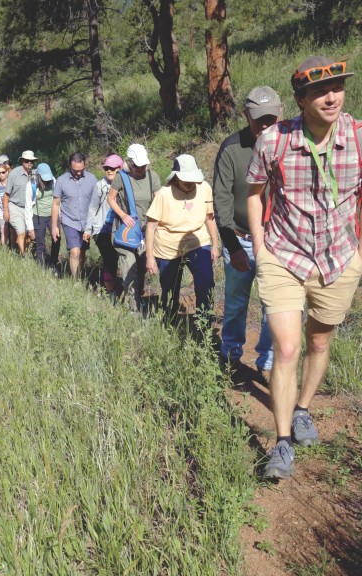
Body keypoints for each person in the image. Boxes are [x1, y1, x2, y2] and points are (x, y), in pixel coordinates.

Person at [247, 56, 362, 479]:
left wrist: (361, 257)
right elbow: (254, 194)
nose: (332, 97)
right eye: (320, 91)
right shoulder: (274, 140)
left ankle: (303, 409)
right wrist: (260, 247)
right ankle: (281, 442)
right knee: (287, 348)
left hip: (338, 259)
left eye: (338, 88)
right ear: (301, 99)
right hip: (284, 256)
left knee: (320, 343)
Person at [213, 86, 282, 373]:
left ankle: (266, 362)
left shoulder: (290, 144)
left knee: (274, 308)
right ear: (246, 115)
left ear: (280, 114)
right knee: (236, 303)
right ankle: (230, 355)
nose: (264, 125)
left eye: (270, 118)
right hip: (240, 239)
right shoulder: (232, 149)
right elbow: (222, 201)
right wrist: (233, 247)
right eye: (258, 119)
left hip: (277, 241)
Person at [144, 154, 220, 327]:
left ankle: (204, 325)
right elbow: (151, 227)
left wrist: (215, 245)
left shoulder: (204, 188)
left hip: (198, 242)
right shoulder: (164, 194)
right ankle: (169, 324)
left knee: (206, 282)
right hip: (167, 247)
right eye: (186, 179)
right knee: (170, 289)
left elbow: (210, 218)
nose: (190, 183)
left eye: (192, 179)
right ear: (176, 176)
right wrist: (150, 257)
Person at [107, 144, 161, 312]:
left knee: (142, 268)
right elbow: (111, 199)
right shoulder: (120, 177)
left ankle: (138, 297)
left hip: (146, 233)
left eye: (143, 165)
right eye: (136, 166)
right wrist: (123, 215)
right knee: (130, 268)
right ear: (129, 163)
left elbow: (159, 201)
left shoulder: (152, 177)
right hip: (126, 232)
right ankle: (134, 308)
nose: (140, 169)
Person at [51, 152, 98, 281]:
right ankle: (75, 280)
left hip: (86, 222)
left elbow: (97, 201)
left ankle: (80, 273)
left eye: (81, 170)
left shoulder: (92, 179)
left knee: (82, 252)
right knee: (74, 251)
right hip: (69, 221)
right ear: (69, 166)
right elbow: (55, 204)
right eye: (75, 170)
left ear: (85, 166)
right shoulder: (61, 180)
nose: (78, 173)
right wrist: (55, 226)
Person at [91, 154, 123, 294]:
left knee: (114, 259)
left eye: (112, 168)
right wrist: (88, 229)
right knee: (110, 258)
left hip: (119, 229)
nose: (109, 171)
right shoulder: (100, 185)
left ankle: (113, 286)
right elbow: (92, 208)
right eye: (106, 168)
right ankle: (111, 293)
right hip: (102, 230)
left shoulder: (125, 185)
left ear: (119, 168)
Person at [5, 151, 38, 255]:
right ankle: (23, 256)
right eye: (27, 161)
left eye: (31, 161)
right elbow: (6, 195)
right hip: (15, 207)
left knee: (29, 234)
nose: (29, 163)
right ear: (22, 161)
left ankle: (24, 251)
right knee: (21, 231)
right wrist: (6, 211)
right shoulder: (14, 173)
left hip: (30, 208)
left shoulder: (36, 174)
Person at [30, 163, 60, 268]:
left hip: (52, 215)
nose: (46, 180)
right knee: (40, 242)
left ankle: (53, 263)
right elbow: (28, 206)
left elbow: (57, 200)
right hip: (38, 216)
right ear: (38, 176)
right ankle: (41, 266)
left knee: (56, 239)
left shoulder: (53, 181)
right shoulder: (32, 185)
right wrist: (30, 227)